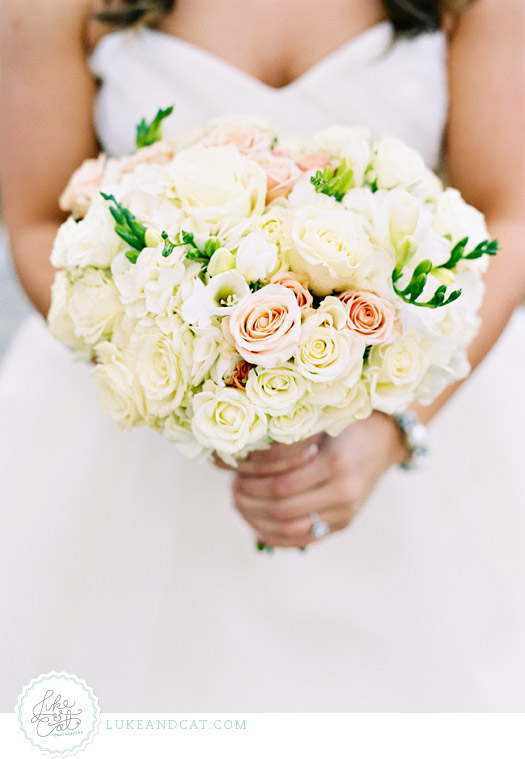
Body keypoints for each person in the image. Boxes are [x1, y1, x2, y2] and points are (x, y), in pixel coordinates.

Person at [0, 0, 523, 712]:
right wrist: (184, 385)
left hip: (423, 434)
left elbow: (508, 215)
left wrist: (390, 427)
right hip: (130, 453)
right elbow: (37, 222)